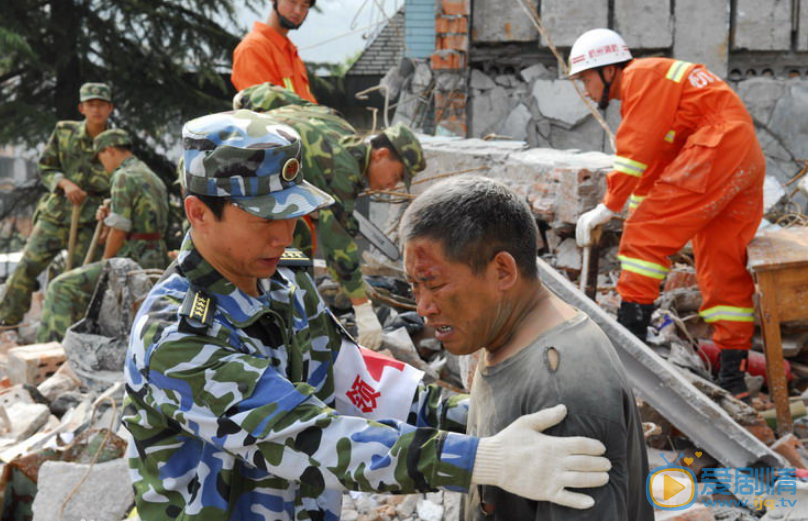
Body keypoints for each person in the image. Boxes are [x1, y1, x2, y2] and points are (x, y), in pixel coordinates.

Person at [123, 110, 612, 521]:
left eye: (292, 215)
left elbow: (361, 382)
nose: (284, 236)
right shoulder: (178, 335)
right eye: (264, 220)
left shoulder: (284, 283)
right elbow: (306, 436)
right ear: (198, 213)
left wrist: (483, 416)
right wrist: (481, 458)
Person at [399, 176, 652, 521]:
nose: (423, 307)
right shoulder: (501, 336)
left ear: (502, 271)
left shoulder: (562, 385)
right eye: (414, 286)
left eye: (435, 284)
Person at [570, 28, 765, 399]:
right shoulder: (662, 83)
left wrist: (608, 207)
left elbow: (635, 151)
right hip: (743, 157)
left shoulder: (642, 77)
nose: (585, 90)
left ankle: (630, 349)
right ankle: (733, 378)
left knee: (643, 239)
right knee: (721, 263)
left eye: (585, 79)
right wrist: (631, 208)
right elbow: (656, 167)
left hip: (717, 148)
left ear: (609, 70)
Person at [235, 82, 423, 350]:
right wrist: (363, 308)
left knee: (296, 230)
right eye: (395, 176)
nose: (391, 185)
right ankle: (281, 325)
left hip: (237, 168)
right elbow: (338, 249)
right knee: (294, 251)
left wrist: (245, 101)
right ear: (381, 154)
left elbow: (276, 95)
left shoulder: (337, 123)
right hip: (239, 187)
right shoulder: (344, 170)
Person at [37, 129, 169, 343]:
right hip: (155, 254)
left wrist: (106, 262)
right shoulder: (150, 175)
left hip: (133, 259)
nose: (102, 165)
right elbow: (137, 220)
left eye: (100, 158)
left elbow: (120, 230)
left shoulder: (122, 176)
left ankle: (51, 351)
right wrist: (107, 221)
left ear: (108, 150)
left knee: (60, 287)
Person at [0, 82, 115, 327]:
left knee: (83, 276)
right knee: (28, 264)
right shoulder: (64, 132)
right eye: (91, 104)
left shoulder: (115, 141)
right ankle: (6, 321)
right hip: (58, 212)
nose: (96, 110)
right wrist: (64, 183)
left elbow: (120, 180)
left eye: (101, 105)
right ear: (81, 108)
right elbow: (45, 167)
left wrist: (109, 218)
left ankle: (77, 326)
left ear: (110, 108)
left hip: (92, 220)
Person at [231, 0, 316, 102]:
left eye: (304, 5)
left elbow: (307, 104)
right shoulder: (252, 48)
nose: (298, 11)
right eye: (292, 2)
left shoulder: (290, 52)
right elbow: (262, 107)